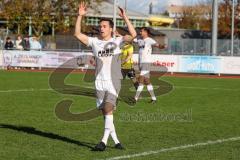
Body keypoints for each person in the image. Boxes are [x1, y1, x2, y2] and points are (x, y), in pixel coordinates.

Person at [74, 2, 136, 151]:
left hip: (114, 81)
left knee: (108, 109)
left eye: (104, 26)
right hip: (99, 82)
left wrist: (125, 18)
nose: (101, 28)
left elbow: (133, 35)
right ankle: (116, 141)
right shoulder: (95, 42)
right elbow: (77, 34)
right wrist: (79, 16)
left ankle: (102, 142)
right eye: (100, 26)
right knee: (106, 114)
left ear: (111, 29)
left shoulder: (118, 41)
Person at [134, 27, 166, 104]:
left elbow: (157, 45)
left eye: (141, 31)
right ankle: (154, 98)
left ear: (146, 32)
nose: (140, 32)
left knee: (140, 80)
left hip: (146, 63)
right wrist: (119, 35)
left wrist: (162, 46)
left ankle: (135, 98)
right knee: (147, 81)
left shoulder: (149, 40)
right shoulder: (139, 40)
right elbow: (131, 39)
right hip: (141, 63)